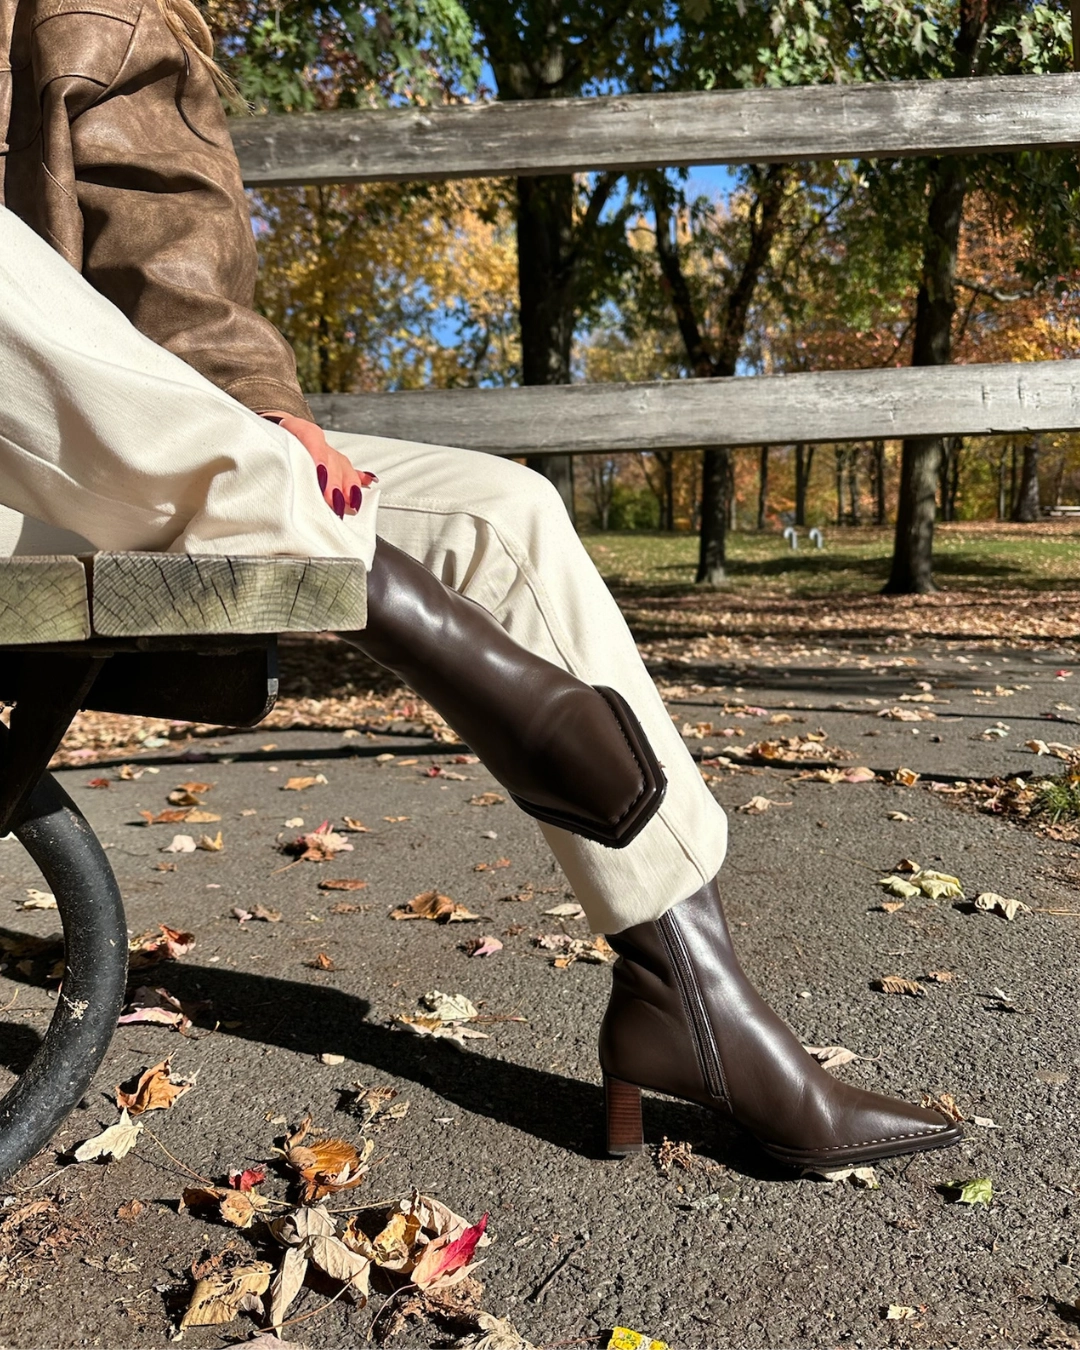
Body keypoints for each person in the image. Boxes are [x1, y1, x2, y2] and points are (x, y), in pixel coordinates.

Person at [0, 0, 962, 1167]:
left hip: (76, 447)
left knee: (502, 516)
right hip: (65, 467)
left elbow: (159, 224)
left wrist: (267, 410)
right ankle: (338, 557)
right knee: (282, 489)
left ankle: (698, 1003)